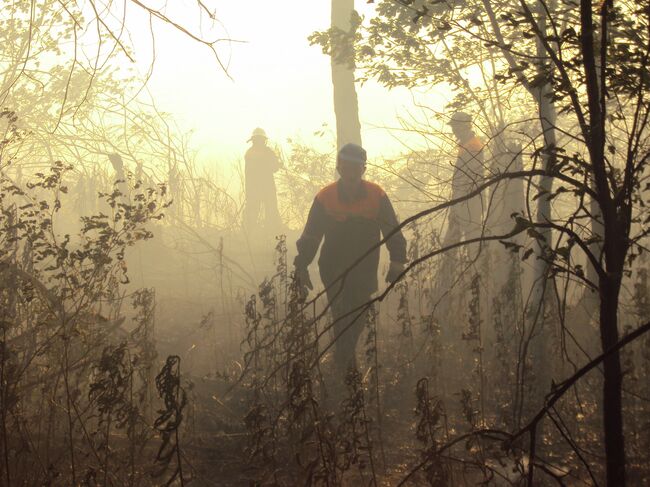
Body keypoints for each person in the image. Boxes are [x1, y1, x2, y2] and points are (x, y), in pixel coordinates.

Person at [294, 143, 407, 371]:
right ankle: (347, 366)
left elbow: (392, 229)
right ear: (339, 167)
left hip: (365, 267)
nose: (351, 172)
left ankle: (343, 359)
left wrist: (397, 260)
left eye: (356, 167)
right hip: (332, 266)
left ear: (363, 169)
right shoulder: (325, 197)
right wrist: (301, 265)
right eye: (346, 167)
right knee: (341, 313)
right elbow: (311, 235)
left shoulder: (377, 195)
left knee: (359, 314)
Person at [444, 111, 485, 248]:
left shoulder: (473, 146)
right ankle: (450, 267)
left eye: (455, 127)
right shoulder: (466, 145)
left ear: (464, 126)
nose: (454, 130)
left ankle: (474, 267)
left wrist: (459, 199)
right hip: (463, 199)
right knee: (453, 239)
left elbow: (470, 178)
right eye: (453, 127)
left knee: (471, 238)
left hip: (469, 200)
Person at [244, 128, 282, 230]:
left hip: (259, 188)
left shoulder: (250, 153)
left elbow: (274, 167)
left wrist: (276, 164)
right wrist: (276, 164)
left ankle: (265, 232)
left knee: (268, 211)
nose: (260, 142)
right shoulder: (262, 153)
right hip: (260, 188)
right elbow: (273, 167)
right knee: (255, 212)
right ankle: (255, 232)